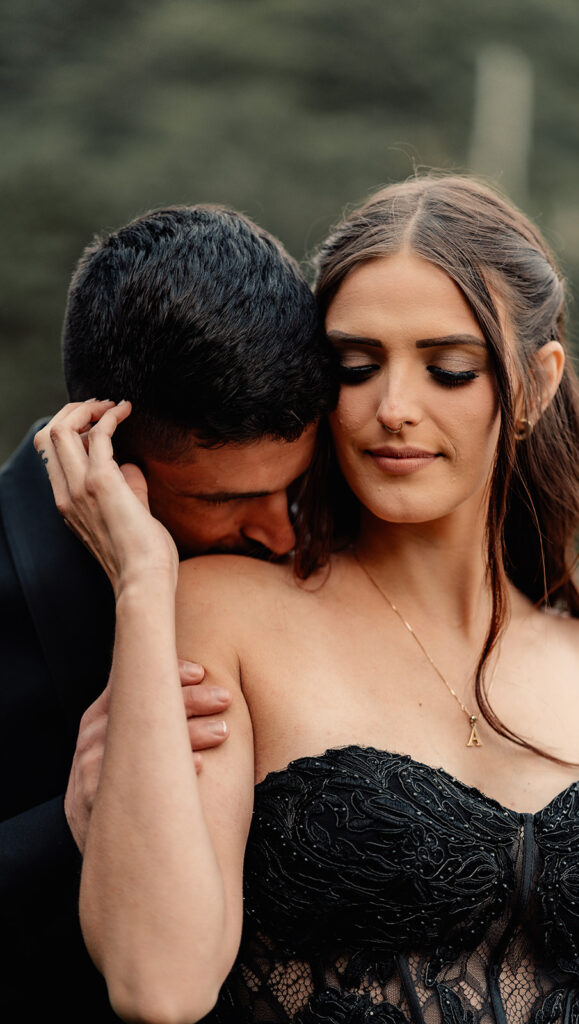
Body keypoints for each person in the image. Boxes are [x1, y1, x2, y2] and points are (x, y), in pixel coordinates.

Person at [38, 174, 579, 1024]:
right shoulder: (218, 610)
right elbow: (158, 983)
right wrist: (143, 584)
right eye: (355, 366)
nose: (392, 409)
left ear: (532, 384)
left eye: (447, 369)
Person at [0, 204, 333, 1019]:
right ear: (108, 452)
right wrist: (71, 825)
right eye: (230, 500)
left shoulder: (329, 550)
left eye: (296, 485)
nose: (281, 529)